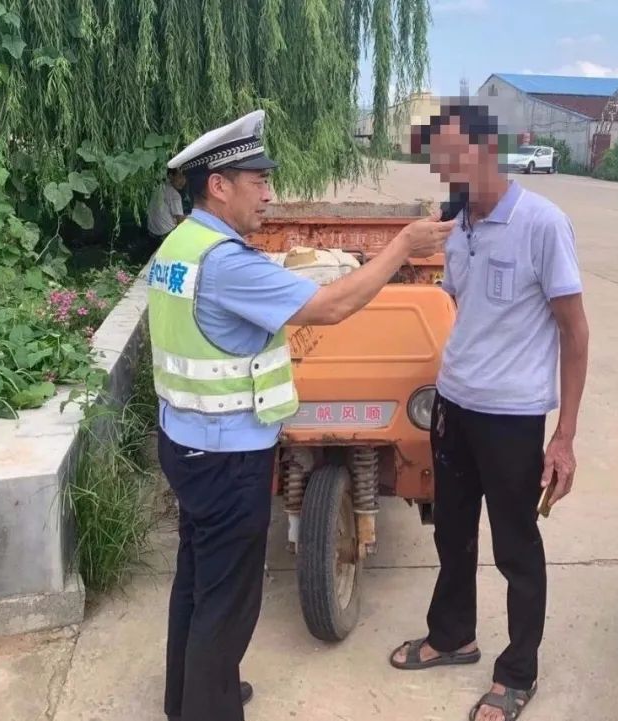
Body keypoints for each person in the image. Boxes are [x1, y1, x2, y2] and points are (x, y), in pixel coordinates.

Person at [148, 109, 456, 721]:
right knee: (227, 603)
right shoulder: (227, 263)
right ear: (219, 186)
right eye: (258, 181)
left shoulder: (181, 245)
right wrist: (401, 246)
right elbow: (332, 306)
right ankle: (209, 710)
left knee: (197, 579)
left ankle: (187, 698)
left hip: (184, 442)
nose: (269, 194)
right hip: (227, 455)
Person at [388, 102, 590, 721]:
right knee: (451, 533)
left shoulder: (542, 224)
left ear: (490, 151)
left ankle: (518, 672)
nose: (448, 170)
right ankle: (453, 636)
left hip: (512, 419)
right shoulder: (458, 226)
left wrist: (565, 437)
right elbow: (458, 304)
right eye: (439, 160)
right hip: (454, 408)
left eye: (456, 156)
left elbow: (575, 332)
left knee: (515, 548)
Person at [147, 168, 188, 249]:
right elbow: (180, 221)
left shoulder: (158, 187)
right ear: (170, 176)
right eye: (180, 176)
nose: (183, 181)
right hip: (165, 235)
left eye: (185, 177)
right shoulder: (175, 195)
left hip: (152, 232)